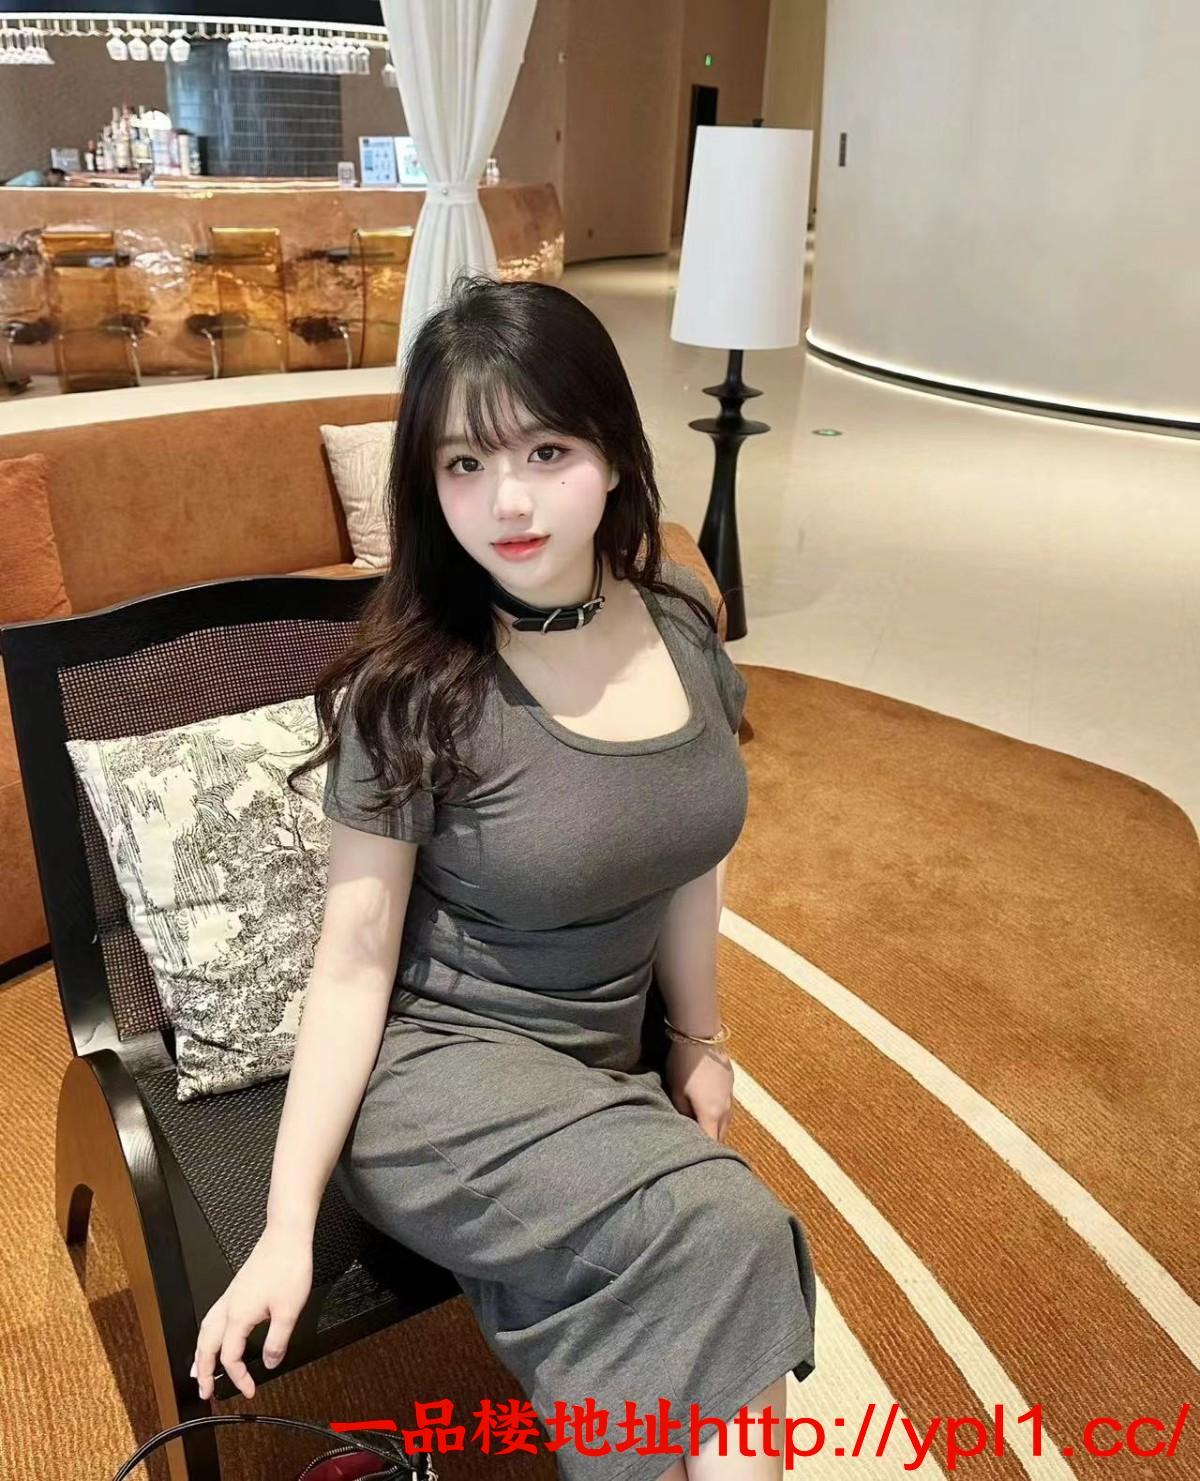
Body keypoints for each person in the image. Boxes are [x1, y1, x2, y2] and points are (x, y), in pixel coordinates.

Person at [191, 271, 818, 1481]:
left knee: (696, 1272)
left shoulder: (682, 624)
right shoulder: (413, 689)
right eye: (464, 464)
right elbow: (352, 963)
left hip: (604, 1062)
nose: (508, 501)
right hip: (438, 1076)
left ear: (613, 452)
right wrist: (285, 1225)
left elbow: (689, 860)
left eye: (546, 449)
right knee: (726, 1229)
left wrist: (700, 1036)